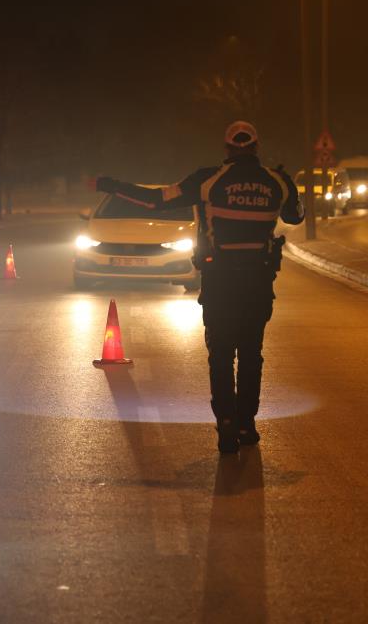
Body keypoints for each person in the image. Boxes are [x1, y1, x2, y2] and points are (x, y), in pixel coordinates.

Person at [92, 121, 304, 453]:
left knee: (220, 354)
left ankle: (227, 425)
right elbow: (295, 217)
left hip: (219, 281)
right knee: (251, 354)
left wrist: (110, 185)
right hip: (258, 282)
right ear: (256, 146)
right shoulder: (277, 181)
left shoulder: (207, 179)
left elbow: (156, 200)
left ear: (227, 148)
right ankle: (247, 424)